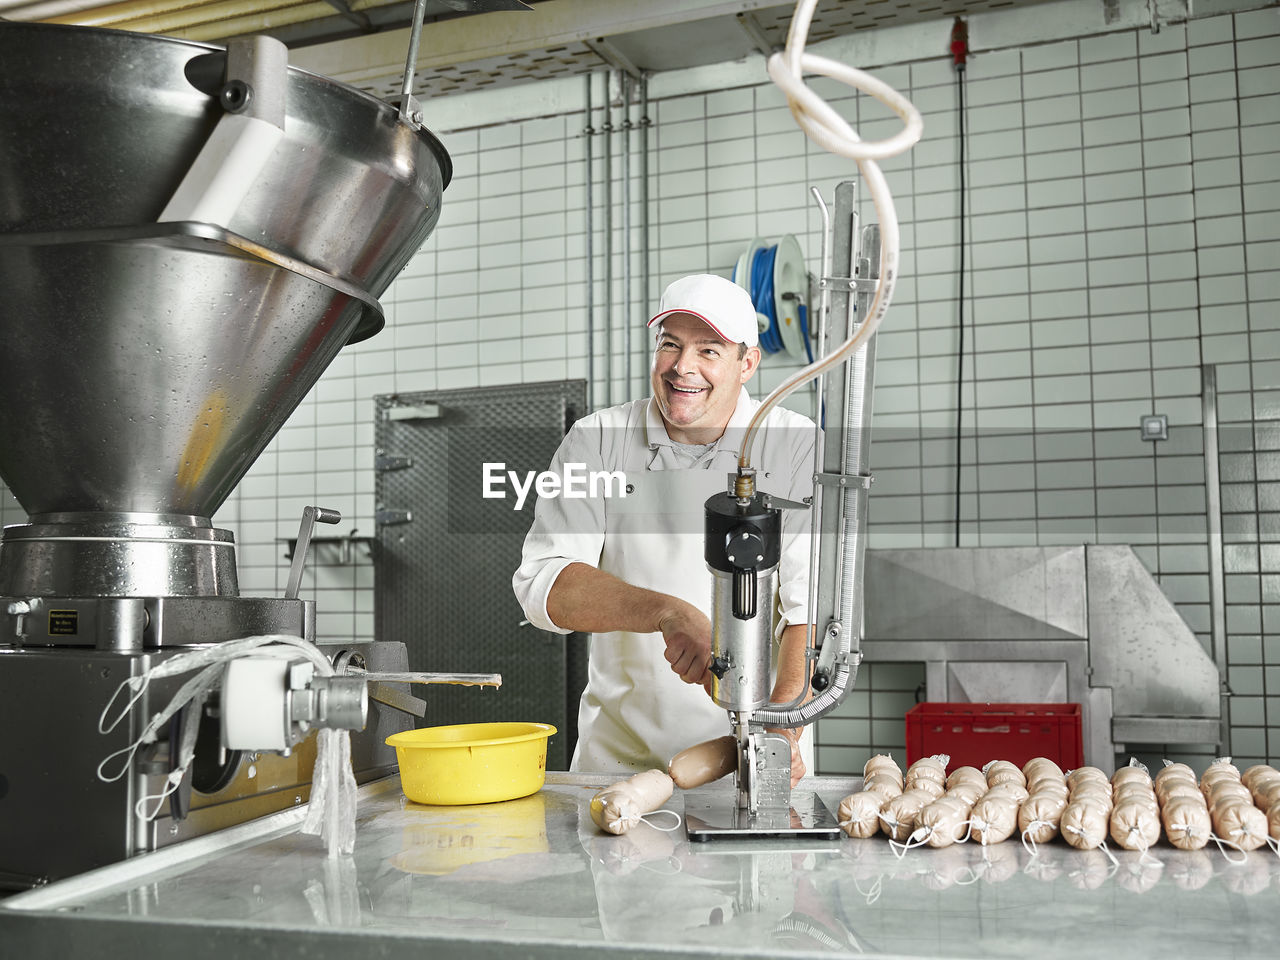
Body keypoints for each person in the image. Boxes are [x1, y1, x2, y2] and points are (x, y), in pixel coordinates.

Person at [512, 273, 817, 783]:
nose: (683, 367)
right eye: (670, 345)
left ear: (748, 363)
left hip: (754, 757)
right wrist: (668, 613)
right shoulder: (598, 441)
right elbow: (545, 587)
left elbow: (810, 612)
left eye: (709, 350)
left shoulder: (793, 442)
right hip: (619, 762)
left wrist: (781, 731)